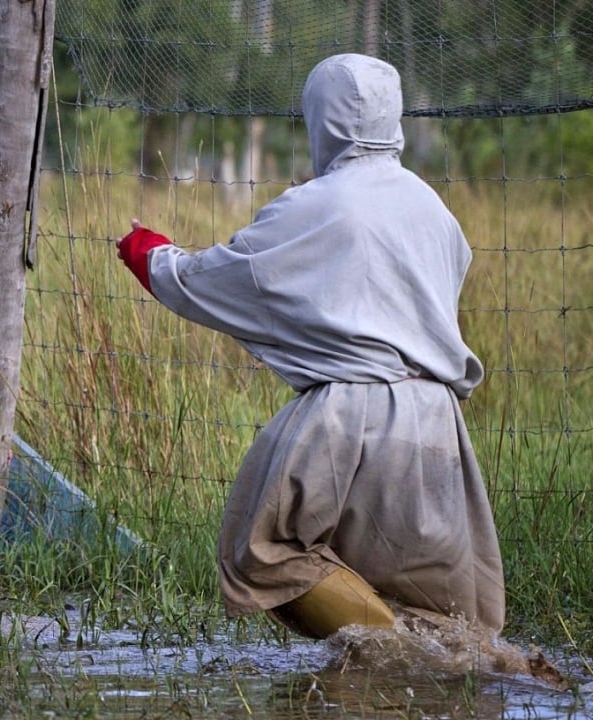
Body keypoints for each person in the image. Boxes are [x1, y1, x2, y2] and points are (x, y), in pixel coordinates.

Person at [115, 53, 504, 639]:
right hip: (436, 420)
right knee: (440, 608)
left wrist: (154, 258)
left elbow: (225, 276)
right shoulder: (433, 209)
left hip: (353, 415)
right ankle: (434, 674)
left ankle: (394, 654)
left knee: (265, 550)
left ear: (322, 118)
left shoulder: (317, 204)